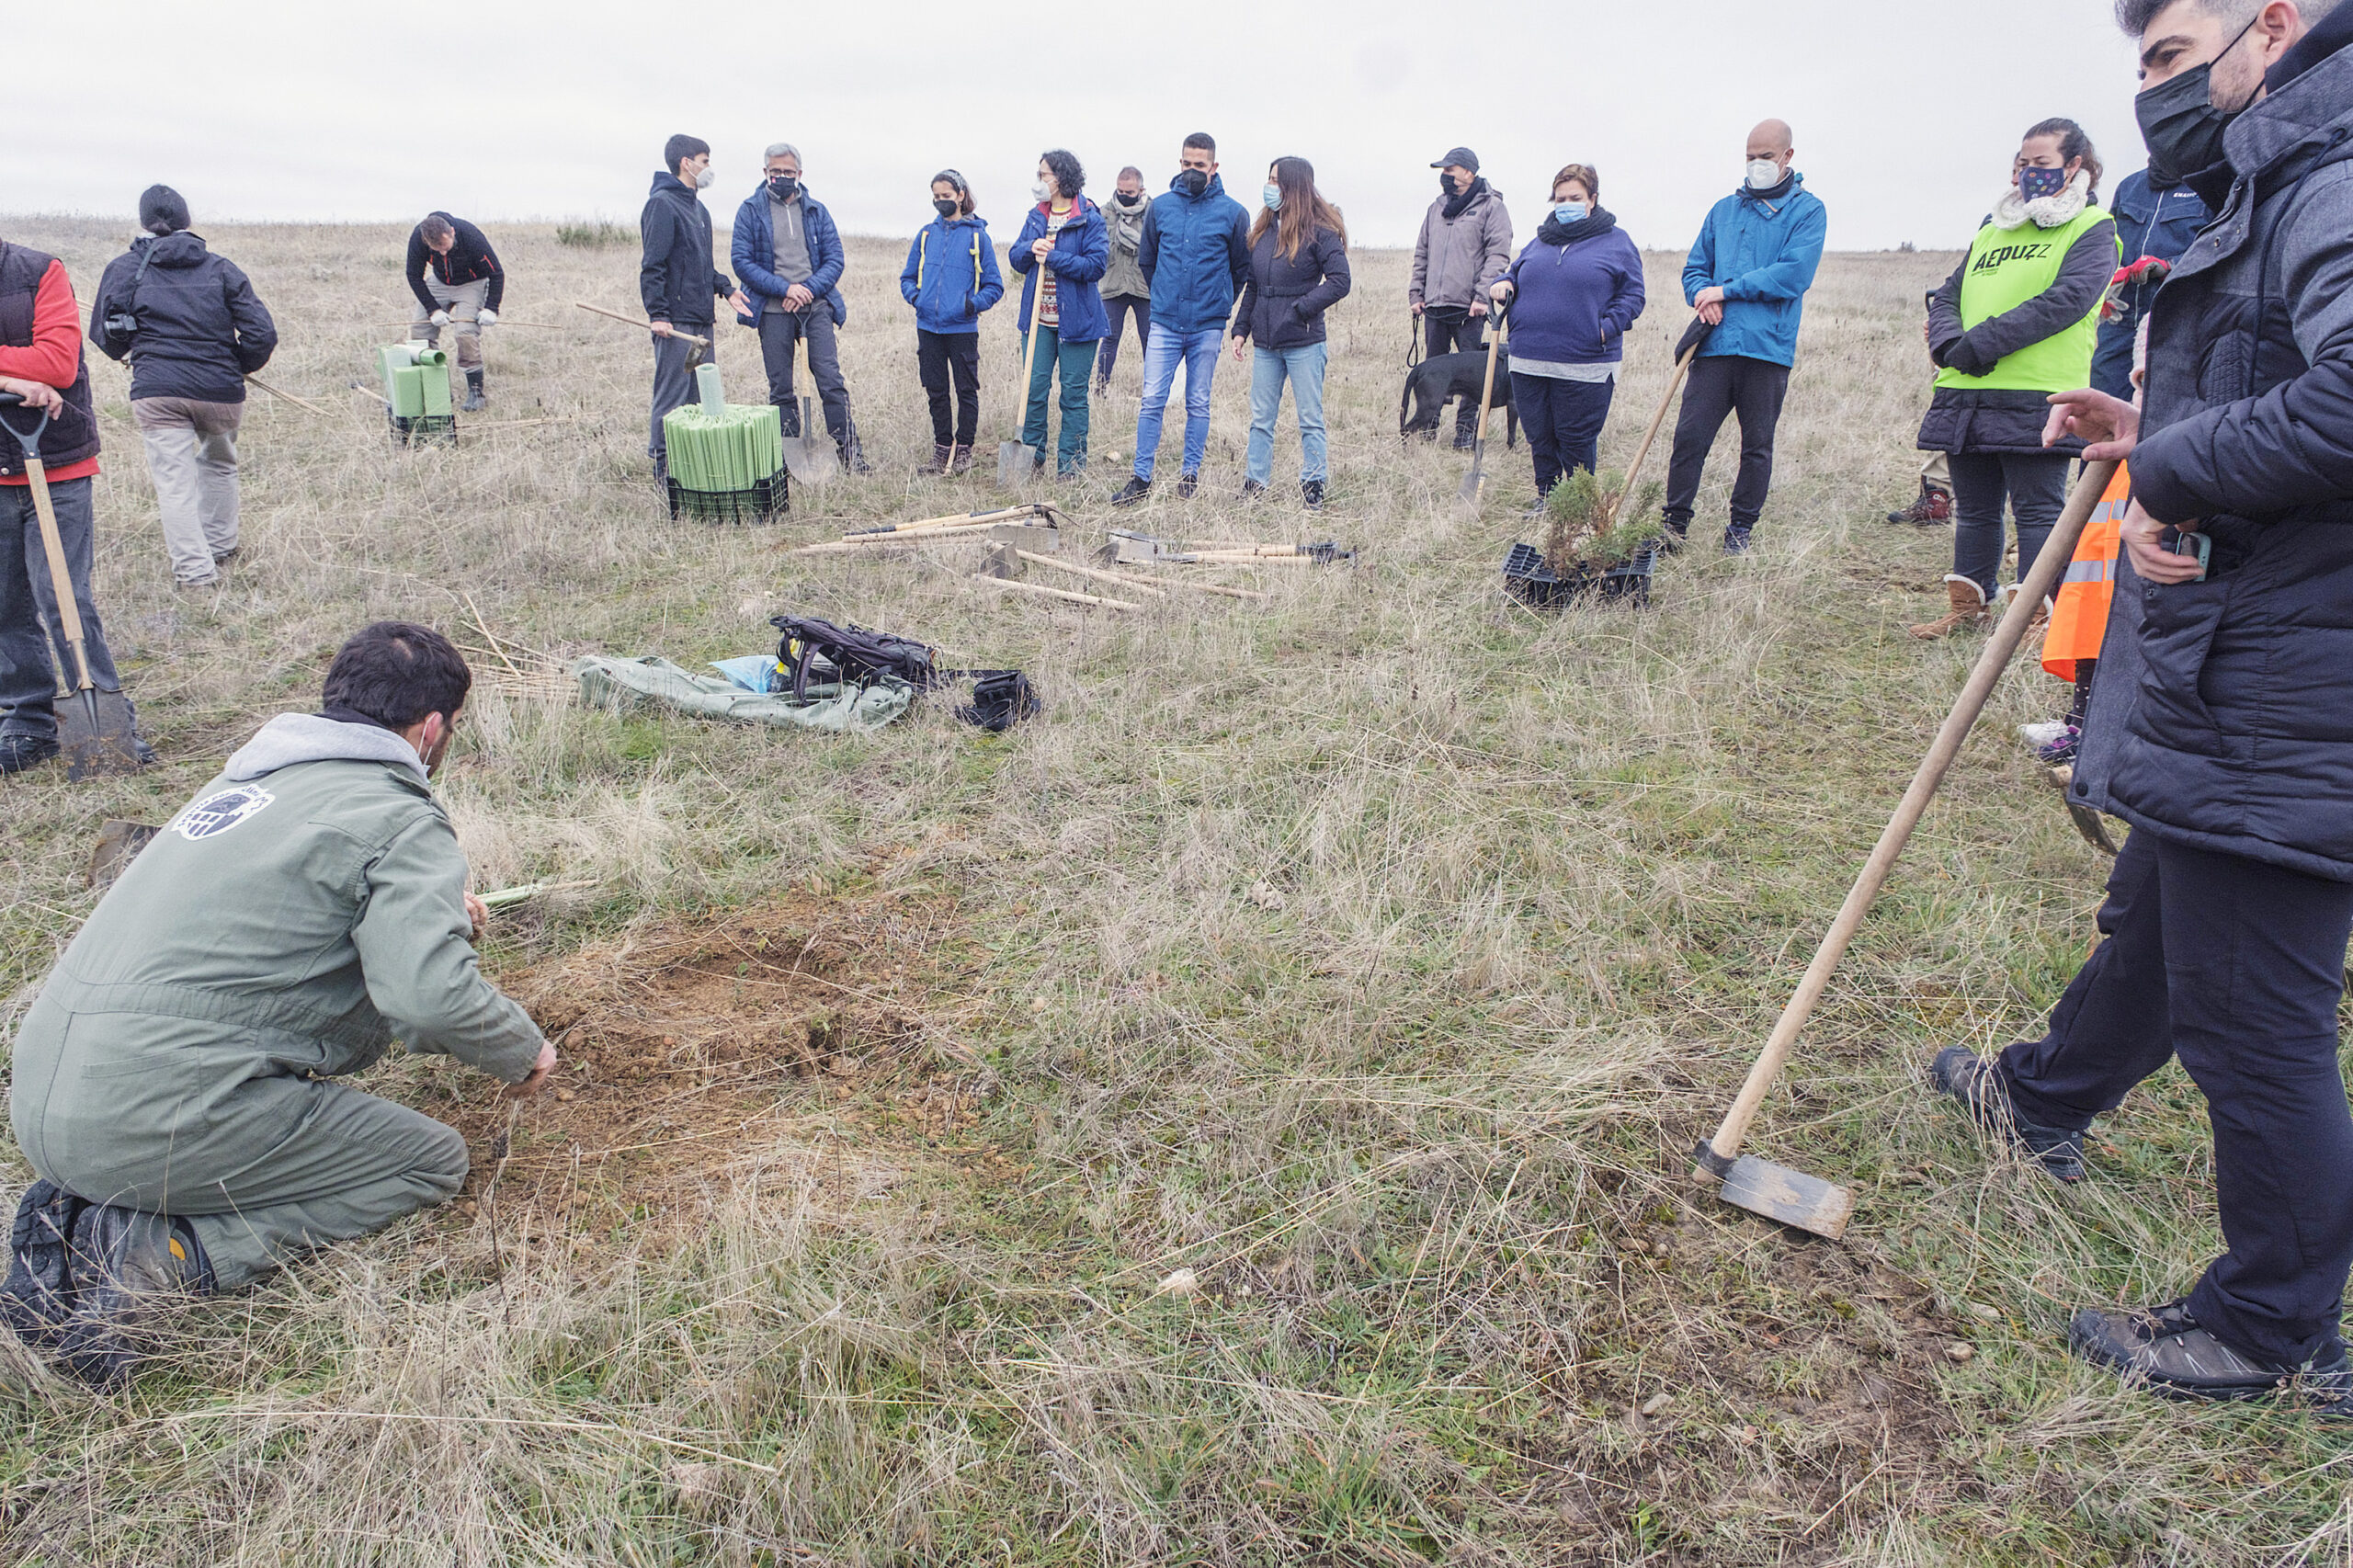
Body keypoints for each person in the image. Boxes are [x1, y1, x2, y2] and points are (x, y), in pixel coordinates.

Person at [1930, 0, 2353, 1415]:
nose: (2153, 91)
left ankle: (2270, 1328)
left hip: (2304, 677)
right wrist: (2160, 445)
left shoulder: (2334, 172)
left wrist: (2177, 467)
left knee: (2254, 1019)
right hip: (2255, 646)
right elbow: (2285, 400)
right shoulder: (2279, 176)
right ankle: (2043, 1093)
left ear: (2271, 27)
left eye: (2169, 57)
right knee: (2166, 908)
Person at [1, 621, 554, 1387]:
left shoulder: (247, 786)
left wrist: (431, 913)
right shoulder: (399, 814)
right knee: (430, 1160)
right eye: (453, 729)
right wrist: (520, 1050)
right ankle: (158, 1254)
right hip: (147, 1116)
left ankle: (96, 1202)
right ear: (430, 730)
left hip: (40, 1101)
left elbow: (274, 923)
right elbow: (427, 999)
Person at [1907, 119, 2118, 639]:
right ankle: (1968, 609)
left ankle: (2035, 620)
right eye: (2021, 164)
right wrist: (1947, 343)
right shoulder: (1992, 227)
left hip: (2039, 393)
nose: (2027, 174)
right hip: (1966, 391)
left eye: (2041, 164)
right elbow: (1951, 293)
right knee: (1975, 509)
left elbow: (2067, 300)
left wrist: (1978, 345)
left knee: (2037, 510)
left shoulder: (2092, 228)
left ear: (2074, 167)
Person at [1, 238, 151, 777]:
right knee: (5, 602)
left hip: (54, 460)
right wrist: (13, 376)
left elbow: (58, 362)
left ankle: (109, 716)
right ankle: (29, 720)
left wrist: (28, 373)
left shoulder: (38, 271)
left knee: (64, 595)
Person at [89, 186, 277, 589]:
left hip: (158, 391)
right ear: (187, 219)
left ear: (143, 222)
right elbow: (262, 333)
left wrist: (131, 349)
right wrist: (235, 366)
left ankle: (195, 575)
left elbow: (104, 336)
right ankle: (220, 547)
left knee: (174, 483)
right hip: (220, 390)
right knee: (220, 463)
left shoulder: (123, 270)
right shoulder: (222, 268)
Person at [1659, 119, 1828, 555]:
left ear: (1787, 157)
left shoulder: (1808, 211)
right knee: (1690, 437)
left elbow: (1793, 274)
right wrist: (1701, 294)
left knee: (1756, 446)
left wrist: (1727, 290)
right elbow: (1695, 267)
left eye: (1766, 157)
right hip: (1714, 345)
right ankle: (1674, 525)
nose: (1757, 164)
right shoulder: (1723, 211)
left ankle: (1740, 530)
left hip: (1767, 350)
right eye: (1750, 156)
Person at [1487, 163, 1645, 508]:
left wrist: (1603, 330)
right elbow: (1514, 273)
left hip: (1585, 364)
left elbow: (1633, 296)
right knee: (1540, 438)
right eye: (1560, 198)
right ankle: (1546, 498)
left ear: (1593, 199)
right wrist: (1504, 281)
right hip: (1528, 360)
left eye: (1575, 197)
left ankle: (1576, 508)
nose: (1566, 204)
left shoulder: (1616, 242)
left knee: (1575, 440)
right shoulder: (1540, 241)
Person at [1110, 133, 1250, 506]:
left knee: (1198, 402)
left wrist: (1221, 304)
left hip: (1207, 325)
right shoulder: (1162, 208)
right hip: (1165, 323)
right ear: (1180, 163)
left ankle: (1190, 475)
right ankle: (1141, 477)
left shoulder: (1234, 213)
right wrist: (1163, 297)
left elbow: (1240, 268)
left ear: (1214, 167)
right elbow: (1148, 259)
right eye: (1187, 164)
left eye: (1200, 165)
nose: (1192, 171)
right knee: (1152, 398)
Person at [733, 143, 865, 473]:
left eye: (788, 173)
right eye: (775, 172)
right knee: (781, 387)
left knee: (830, 380)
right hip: (773, 311)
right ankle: (788, 459)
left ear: (799, 174)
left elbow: (835, 259)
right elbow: (742, 261)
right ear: (765, 173)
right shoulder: (750, 210)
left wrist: (806, 290)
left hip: (816, 307)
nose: (781, 178)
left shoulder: (817, 211)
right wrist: (784, 289)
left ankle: (850, 454)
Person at [1229, 157, 1351, 509]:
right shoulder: (1264, 229)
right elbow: (1253, 286)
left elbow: (1341, 282)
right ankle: (1255, 483)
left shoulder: (1320, 231)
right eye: (1268, 178)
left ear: (1295, 186)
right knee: (1260, 418)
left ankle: (1313, 483)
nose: (1269, 186)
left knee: (1310, 418)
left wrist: (1301, 309)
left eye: (1276, 180)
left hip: (1304, 341)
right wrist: (1241, 330)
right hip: (1265, 342)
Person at [641, 134, 750, 486]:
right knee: (673, 397)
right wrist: (658, 314)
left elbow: (702, 264)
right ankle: (663, 471)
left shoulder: (698, 209)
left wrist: (726, 288)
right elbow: (653, 266)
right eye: (704, 160)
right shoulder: (662, 204)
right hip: (676, 325)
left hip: (702, 322)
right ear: (686, 163)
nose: (708, 168)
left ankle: (693, 468)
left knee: (701, 398)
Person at [1008, 151, 1109, 480]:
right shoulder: (1036, 216)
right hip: (1038, 322)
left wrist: (1054, 257)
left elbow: (1095, 266)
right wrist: (1029, 249)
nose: (1039, 181)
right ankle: (1032, 461)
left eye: (1044, 175)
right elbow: (1016, 257)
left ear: (1062, 178)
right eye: (1038, 174)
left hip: (1079, 324)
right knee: (1034, 389)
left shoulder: (1089, 218)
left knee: (1073, 396)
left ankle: (1071, 466)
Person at [1409, 147, 1514, 448]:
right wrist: (1417, 293)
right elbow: (1422, 253)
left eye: (1449, 170)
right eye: (1442, 171)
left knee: (1473, 377)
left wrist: (1482, 296)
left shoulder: (1491, 207)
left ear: (1469, 172)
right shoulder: (1436, 207)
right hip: (1435, 307)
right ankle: (1428, 428)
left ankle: (1465, 434)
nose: (1444, 176)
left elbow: (1497, 255)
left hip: (1471, 309)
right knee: (1435, 369)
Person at [899, 170, 1003, 476]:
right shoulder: (925, 235)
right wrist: (916, 299)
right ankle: (941, 449)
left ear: (960, 195)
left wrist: (971, 306)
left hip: (963, 329)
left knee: (966, 391)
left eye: (946, 196)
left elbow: (995, 285)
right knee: (936, 390)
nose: (941, 201)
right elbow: (907, 278)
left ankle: (964, 452)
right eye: (936, 196)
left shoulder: (977, 236)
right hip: (928, 327)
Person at [2089, 170, 2210, 401]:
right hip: (2119, 320)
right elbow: (2109, 245)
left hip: (2176, 321)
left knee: (2164, 410)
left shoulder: (2209, 184)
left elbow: (2220, 245)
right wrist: (2108, 278)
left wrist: (2170, 265)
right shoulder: (2129, 186)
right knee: (2104, 406)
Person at [404, 212, 505, 412]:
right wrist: (433, 310)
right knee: (419, 331)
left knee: (465, 333)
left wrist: (491, 309)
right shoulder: (418, 238)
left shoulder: (471, 236)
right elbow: (413, 275)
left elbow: (496, 274)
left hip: (472, 283)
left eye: (445, 246)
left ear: (451, 232)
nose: (442, 253)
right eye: (436, 249)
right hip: (440, 282)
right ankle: (437, 387)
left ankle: (476, 392)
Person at [1097, 167, 1153, 394]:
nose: (1123, 195)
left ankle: (1153, 390)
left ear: (1141, 190)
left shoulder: (1154, 212)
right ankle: (1100, 388)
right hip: (1113, 283)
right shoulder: (1104, 213)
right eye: (1120, 190)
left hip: (1145, 286)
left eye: (1129, 192)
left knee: (1150, 340)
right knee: (1109, 337)